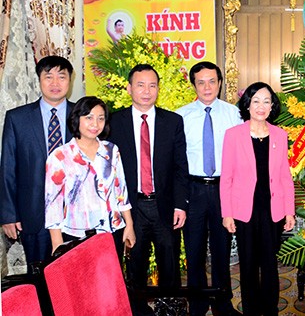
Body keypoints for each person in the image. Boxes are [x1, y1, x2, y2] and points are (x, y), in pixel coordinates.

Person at [108, 64, 189, 316]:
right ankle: (137, 310)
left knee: (169, 264)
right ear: (129, 88)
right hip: (131, 209)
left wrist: (180, 204)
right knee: (135, 266)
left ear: (158, 89)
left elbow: (180, 166)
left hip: (163, 205)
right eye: (140, 85)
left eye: (152, 85)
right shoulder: (114, 121)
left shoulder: (172, 121)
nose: (146, 91)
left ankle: (170, 309)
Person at [220, 82, 295, 316]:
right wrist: (227, 213)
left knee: (270, 263)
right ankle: (251, 309)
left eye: (266, 101)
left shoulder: (280, 135)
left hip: (272, 208)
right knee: (249, 263)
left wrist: (289, 211)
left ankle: (270, 308)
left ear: (272, 106)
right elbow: (227, 177)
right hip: (244, 210)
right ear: (248, 104)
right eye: (256, 101)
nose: (261, 106)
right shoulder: (233, 135)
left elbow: (284, 175)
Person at [176, 62, 242, 316]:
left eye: (212, 81)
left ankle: (223, 303)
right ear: (193, 84)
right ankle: (198, 303)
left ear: (220, 83)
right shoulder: (180, 116)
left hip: (223, 189)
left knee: (222, 250)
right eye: (201, 82)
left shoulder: (234, 114)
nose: (207, 87)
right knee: (193, 251)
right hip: (192, 189)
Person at [0, 55, 74, 267]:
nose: (55, 83)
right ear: (39, 80)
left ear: (70, 80)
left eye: (61, 77)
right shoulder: (18, 118)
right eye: (48, 77)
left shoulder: (83, 116)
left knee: (73, 277)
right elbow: (8, 168)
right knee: (39, 276)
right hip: (34, 214)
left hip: (75, 214)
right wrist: (8, 215)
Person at [44, 96, 135, 258]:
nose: (95, 124)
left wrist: (129, 224)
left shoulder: (111, 150)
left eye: (101, 119)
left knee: (111, 282)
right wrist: (57, 244)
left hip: (111, 231)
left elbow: (120, 191)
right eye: (89, 118)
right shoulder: (59, 156)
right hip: (77, 235)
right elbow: (53, 205)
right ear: (77, 119)